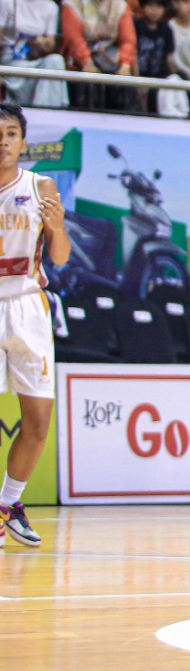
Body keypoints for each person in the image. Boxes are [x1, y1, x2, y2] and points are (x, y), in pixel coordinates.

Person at [0, 103, 70, 550]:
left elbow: (60, 256)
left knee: (38, 422)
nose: (3, 141)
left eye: (11, 133)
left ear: (23, 142)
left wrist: (58, 228)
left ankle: (8, 505)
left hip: (27, 304)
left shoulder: (40, 186)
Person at [0, 0, 67, 109]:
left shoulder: (51, 6)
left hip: (34, 62)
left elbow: (50, 45)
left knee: (56, 61)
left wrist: (42, 42)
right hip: (11, 63)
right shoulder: (7, 0)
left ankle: (47, 112)